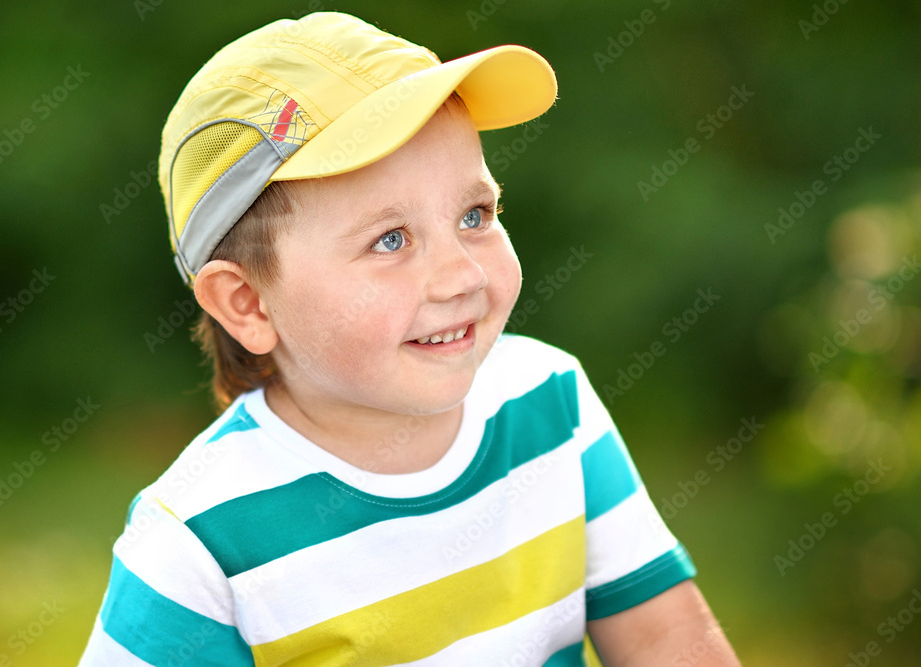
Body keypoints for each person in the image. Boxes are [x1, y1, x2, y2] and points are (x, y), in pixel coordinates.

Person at [80, 11, 741, 666]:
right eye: (390, 239)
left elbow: (666, 640)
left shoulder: (550, 405)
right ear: (248, 302)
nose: (461, 274)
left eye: (474, 214)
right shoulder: (198, 541)